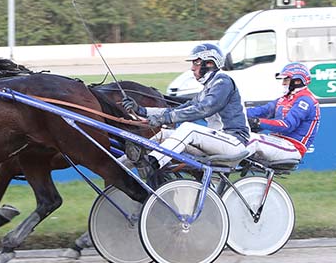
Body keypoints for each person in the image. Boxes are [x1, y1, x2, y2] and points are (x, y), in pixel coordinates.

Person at [122, 43, 250, 174]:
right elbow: (178, 109)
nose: (192, 68)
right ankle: (121, 166)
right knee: (163, 135)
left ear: (210, 63)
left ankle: (152, 163)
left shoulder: (223, 82)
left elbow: (204, 109)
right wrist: (142, 110)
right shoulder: (207, 89)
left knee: (189, 129)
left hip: (234, 143)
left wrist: (164, 119)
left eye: (196, 63)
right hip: (218, 142)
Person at [246, 62, 320, 163]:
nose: (283, 83)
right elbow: (261, 111)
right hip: (279, 142)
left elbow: (287, 125)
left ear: (297, 81)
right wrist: (236, 112)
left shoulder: (306, 100)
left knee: (253, 140)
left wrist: (257, 122)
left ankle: (225, 167)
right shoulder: (284, 99)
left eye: (286, 79)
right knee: (242, 136)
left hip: (293, 147)